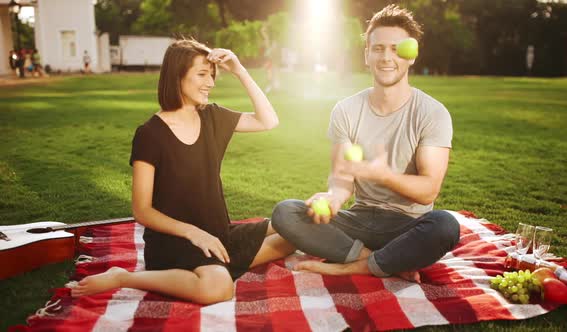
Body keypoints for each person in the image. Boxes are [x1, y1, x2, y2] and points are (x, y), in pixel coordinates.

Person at [71, 39, 295, 304]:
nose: (210, 83)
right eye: (202, 74)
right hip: (174, 242)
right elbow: (142, 210)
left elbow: (268, 120)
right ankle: (123, 277)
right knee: (217, 289)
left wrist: (239, 71)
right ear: (177, 75)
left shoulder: (213, 116)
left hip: (218, 234)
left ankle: (221, 261)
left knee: (294, 234)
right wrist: (193, 233)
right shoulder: (150, 134)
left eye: (211, 75)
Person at [271, 4, 460, 283]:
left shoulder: (432, 113)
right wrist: (334, 197)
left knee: (446, 226)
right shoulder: (346, 110)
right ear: (367, 55)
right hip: (358, 221)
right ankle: (382, 261)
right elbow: (342, 176)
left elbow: (428, 191)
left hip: (407, 226)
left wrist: (384, 175)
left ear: (411, 56)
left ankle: (350, 265)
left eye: (397, 49)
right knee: (286, 212)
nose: (386, 57)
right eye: (378, 48)